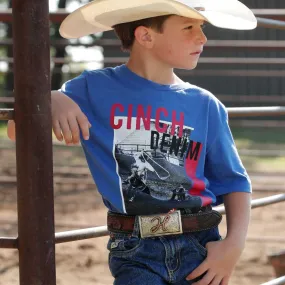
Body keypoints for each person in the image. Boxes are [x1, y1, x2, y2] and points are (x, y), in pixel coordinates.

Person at [7, 0, 257, 284]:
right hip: (135, 250)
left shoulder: (206, 104)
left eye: (201, 28)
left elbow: (234, 181)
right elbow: (17, 133)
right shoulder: (93, 88)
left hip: (200, 247)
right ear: (145, 36)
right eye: (188, 28)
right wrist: (49, 100)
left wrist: (233, 246)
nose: (202, 38)